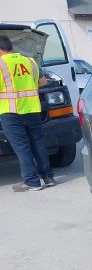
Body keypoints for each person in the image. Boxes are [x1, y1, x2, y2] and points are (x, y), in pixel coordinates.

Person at [0, 34, 55, 191]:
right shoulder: (30, 61)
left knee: (22, 146)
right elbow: (43, 82)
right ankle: (48, 177)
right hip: (32, 108)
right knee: (37, 142)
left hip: (11, 111)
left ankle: (31, 181)